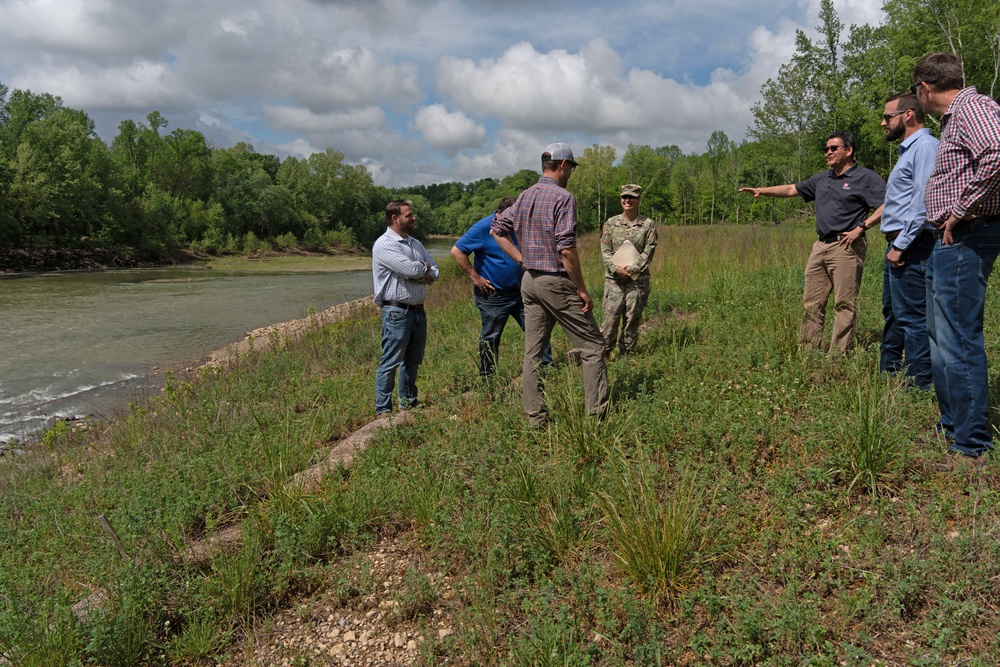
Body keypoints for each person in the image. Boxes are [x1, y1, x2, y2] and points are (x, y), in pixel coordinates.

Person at [912, 52, 1000, 458]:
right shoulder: (955, 120)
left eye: (917, 92)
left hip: (966, 235)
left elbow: (997, 151)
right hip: (949, 240)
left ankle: (970, 442)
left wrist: (960, 210)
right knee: (940, 336)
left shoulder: (972, 108)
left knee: (958, 338)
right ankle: (953, 425)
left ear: (925, 88)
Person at [491, 142, 609, 427]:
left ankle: (535, 418)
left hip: (529, 282)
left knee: (533, 352)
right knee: (593, 347)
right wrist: (581, 288)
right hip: (555, 281)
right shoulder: (563, 198)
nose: (571, 173)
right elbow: (566, 249)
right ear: (563, 165)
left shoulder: (525, 195)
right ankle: (598, 419)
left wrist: (522, 259)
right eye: (571, 168)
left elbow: (497, 229)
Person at [738, 132, 885, 353]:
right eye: (826, 149)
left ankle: (838, 356)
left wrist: (861, 228)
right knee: (812, 302)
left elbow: (888, 205)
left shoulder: (866, 178)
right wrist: (761, 191)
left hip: (846, 246)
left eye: (834, 148)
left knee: (844, 304)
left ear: (849, 150)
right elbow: (791, 189)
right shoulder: (823, 178)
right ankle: (809, 352)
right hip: (820, 246)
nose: (828, 152)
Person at [854, 91, 938, 389]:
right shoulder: (910, 150)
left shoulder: (925, 148)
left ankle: (918, 384)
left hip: (912, 245)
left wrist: (902, 244)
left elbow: (924, 202)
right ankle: (888, 371)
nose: (882, 123)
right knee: (893, 312)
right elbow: (899, 202)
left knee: (914, 317)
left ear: (908, 115)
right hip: (898, 243)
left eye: (887, 116)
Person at [451, 197, 551, 376]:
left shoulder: (523, 224)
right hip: (494, 295)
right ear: (499, 214)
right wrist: (476, 277)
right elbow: (457, 251)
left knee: (537, 329)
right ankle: (489, 378)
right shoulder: (483, 227)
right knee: (491, 337)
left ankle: (547, 369)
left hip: (522, 292)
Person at [372, 199, 439, 416]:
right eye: (409, 215)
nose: (413, 218)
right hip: (396, 312)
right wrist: (422, 270)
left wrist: (423, 271)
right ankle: (383, 409)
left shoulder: (415, 243)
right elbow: (411, 269)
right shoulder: (384, 244)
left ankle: (408, 403)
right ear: (395, 218)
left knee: (413, 360)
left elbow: (435, 270)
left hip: (418, 311)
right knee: (391, 360)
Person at [600, 183, 658, 357]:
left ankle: (626, 356)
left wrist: (631, 269)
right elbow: (605, 250)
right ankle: (605, 354)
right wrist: (616, 269)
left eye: (631, 197)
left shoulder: (648, 225)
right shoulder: (611, 223)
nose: (627, 200)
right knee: (610, 319)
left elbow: (649, 250)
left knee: (632, 318)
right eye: (624, 197)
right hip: (614, 280)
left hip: (637, 280)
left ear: (638, 200)